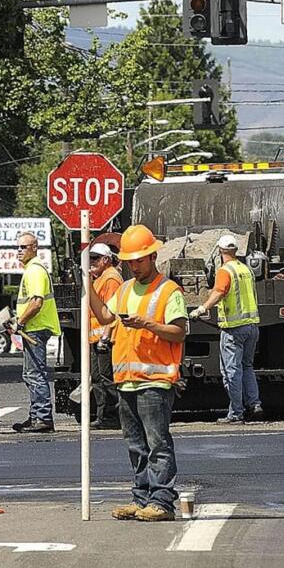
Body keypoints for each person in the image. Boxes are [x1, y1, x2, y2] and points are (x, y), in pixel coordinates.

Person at [88, 224, 187, 523]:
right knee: (136, 444)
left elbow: (179, 332)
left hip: (155, 381)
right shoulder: (126, 289)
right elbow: (106, 316)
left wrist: (148, 324)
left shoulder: (168, 291)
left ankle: (161, 500)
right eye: (130, 260)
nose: (134, 265)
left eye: (139, 259)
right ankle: (141, 496)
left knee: (157, 443)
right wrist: (88, 287)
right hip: (126, 380)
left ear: (152, 256)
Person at [190, 235, 262, 424]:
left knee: (231, 371)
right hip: (252, 326)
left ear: (220, 251)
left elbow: (220, 292)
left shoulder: (225, 270)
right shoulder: (245, 269)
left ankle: (236, 413)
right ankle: (255, 404)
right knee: (247, 366)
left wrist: (202, 308)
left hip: (234, 329)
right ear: (235, 250)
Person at [12, 231, 60, 433]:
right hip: (33, 329)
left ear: (34, 248)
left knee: (35, 374)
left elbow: (36, 302)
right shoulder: (31, 270)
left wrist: (20, 323)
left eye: (24, 247)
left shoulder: (35, 271)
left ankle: (42, 417)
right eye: (18, 247)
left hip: (35, 329)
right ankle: (36, 416)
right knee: (30, 374)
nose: (19, 251)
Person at [87, 242, 124, 430]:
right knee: (98, 377)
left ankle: (112, 416)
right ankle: (104, 415)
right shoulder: (101, 277)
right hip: (97, 337)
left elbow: (111, 312)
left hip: (105, 338)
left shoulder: (110, 279)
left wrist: (105, 337)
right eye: (89, 258)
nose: (90, 262)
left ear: (106, 260)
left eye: (94, 258)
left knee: (106, 377)